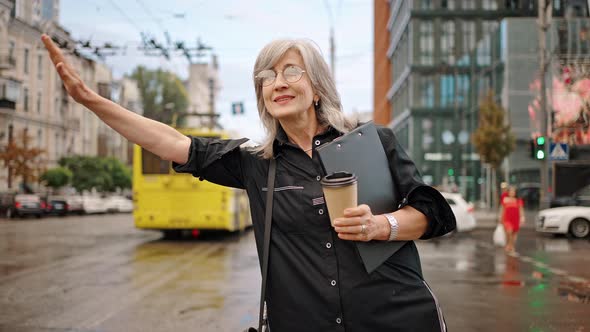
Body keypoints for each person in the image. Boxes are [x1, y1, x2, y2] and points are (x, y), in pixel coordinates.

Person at [42, 34, 456, 331]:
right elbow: (171, 141)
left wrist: (382, 226)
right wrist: (92, 101)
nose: (278, 81)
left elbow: (433, 213)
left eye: (292, 70)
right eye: (267, 75)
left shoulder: (371, 141)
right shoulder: (257, 163)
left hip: (396, 316)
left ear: (316, 88)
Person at [499, 186, 525, 253]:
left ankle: (511, 245)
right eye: (511, 191)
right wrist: (500, 217)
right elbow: (502, 209)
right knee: (508, 232)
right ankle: (509, 244)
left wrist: (522, 217)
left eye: (513, 191)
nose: (512, 192)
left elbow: (521, 210)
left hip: (516, 218)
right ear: (508, 192)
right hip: (507, 219)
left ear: (515, 193)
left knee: (514, 234)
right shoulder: (505, 199)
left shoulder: (518, 200)